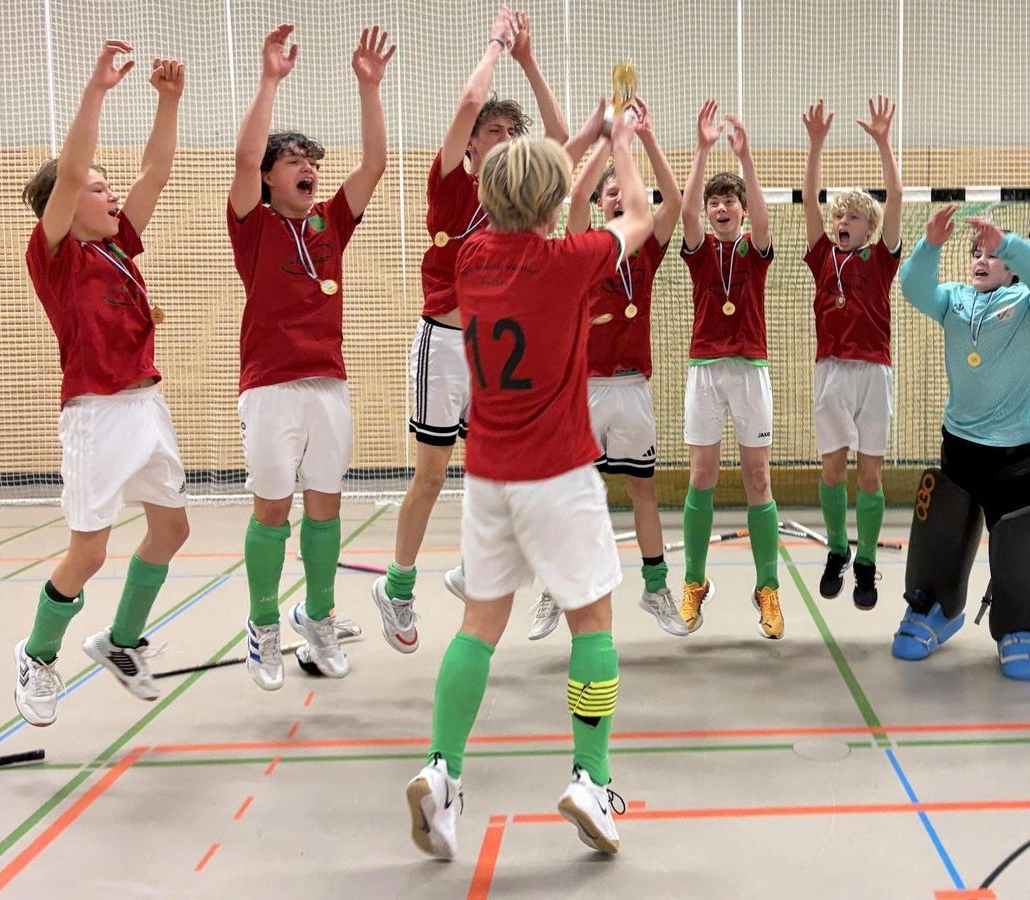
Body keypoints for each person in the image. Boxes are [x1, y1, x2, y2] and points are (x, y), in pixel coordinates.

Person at [404, 121, 654, 860]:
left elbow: (543, 203)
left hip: (486, 477)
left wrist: (583, 150)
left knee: (480, 624)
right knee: (594, 624)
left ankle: (442, 769)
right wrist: (624, 144)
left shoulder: (473, 258)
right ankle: (592, 778)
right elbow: (636, 215)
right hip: (559, 475)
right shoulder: (570, 261)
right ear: (553, 208)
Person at [372, 6, 571, 653]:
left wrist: (530, 62)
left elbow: (563, 141)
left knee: (507, 472)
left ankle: (471, 569)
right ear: (473, 143)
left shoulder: (523, 195)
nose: (507, 137)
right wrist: (495, 44)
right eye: (495, 129)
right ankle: (397, 586)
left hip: (496, 353)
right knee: (431, 475)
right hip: (443, 344)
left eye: (515, 130)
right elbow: (468, 97)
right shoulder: (450, 183)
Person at [13, 44, 190, 725]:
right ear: (63, 201)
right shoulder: (55, 256)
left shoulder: (119, 246)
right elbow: (72, 172)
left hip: (147, 402)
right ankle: (36, 652)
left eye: (109, 186)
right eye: (97, 186)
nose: (111, 192)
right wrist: (96, 90)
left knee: (170, 530)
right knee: (88, 552)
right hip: (97, 413)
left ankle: (119, 642)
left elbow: (158, 169)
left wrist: (168, 102)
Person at [228, 23, 392, 689]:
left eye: (310, 161)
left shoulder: (328, 223)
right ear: (269, 178)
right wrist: (269, 80)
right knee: (274, 508)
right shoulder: (255, 224)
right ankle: (263, 625)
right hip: (269, 387)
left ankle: (317, 618)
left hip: (329, 385)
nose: (307, 168)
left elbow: (375, 163)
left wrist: (369, 87)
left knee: (326, 505)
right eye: (292, 160)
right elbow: (241, 163)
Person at [521, 95, 691, 641]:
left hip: (633, 388)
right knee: (574, 495)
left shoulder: (647, 252)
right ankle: (555, 588)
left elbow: (677, 200)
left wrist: (642, 143)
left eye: (626, 190)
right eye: (610, 191)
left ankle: (656, 586)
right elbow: (572, 197)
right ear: (599, 204)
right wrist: (603, 141)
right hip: (583, 390)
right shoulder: (581, 245)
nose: (619, 194)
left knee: (643, 491)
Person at [892, 204, 1030, 680]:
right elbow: (912, 287)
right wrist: (930, 245)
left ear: (1012, 268)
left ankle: (1019, 624)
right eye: (976, 252)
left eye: (990, 254)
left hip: (1015, 450)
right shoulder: (952, 299)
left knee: (1015, 540)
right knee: (945, 538)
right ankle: (938, 607)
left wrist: (1009, 243)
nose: (981, 258)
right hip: (961, 444)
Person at [677, 99, 784, 639]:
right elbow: (686, 214)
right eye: (715, 202)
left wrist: (745, 160)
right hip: (703, 370)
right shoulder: (698, 251)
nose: (720, 209)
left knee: (758, 477)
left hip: (748, 371)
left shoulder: (754, 247)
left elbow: (765, 218)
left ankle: (767, 588)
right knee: (701, 475)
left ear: (741, 211)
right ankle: (694, 582)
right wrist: (701, 150)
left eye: (729, 202)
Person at [800, 95, 904, 611]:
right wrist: (816, 144)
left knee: (870, 475)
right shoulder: (823, 256)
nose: (842, 218)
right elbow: (808, 201)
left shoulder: (880, 260)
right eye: (838, 212)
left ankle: (866, 563)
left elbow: (898, 198)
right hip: (831, 372)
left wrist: (883, 141)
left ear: (869, 227)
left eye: (854, 215)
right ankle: (838, 551)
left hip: (875, 372)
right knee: (833, 471)